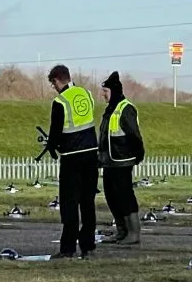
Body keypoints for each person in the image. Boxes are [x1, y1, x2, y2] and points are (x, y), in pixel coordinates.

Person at [43, 65, 99, 259]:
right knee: (88, 202)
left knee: (70, 204)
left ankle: (68, 248)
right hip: (92, 154)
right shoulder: (86, 94)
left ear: (57, 80)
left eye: (53, 84)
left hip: (72, 158)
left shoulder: (60, 101)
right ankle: (88, 246)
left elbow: (56, 130)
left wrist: (51, 146)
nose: (53, 88)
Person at [97, 71, 145, 245]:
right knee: (111, 195)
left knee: (124, 195)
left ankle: (133, 232)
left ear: (114, 91)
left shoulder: (126, 108)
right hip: (109, 161)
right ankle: (121, 230)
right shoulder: (110, 110)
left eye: (105, 91)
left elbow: (134, 134)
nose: (103, 95)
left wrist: (138, 153)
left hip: (122, 160)